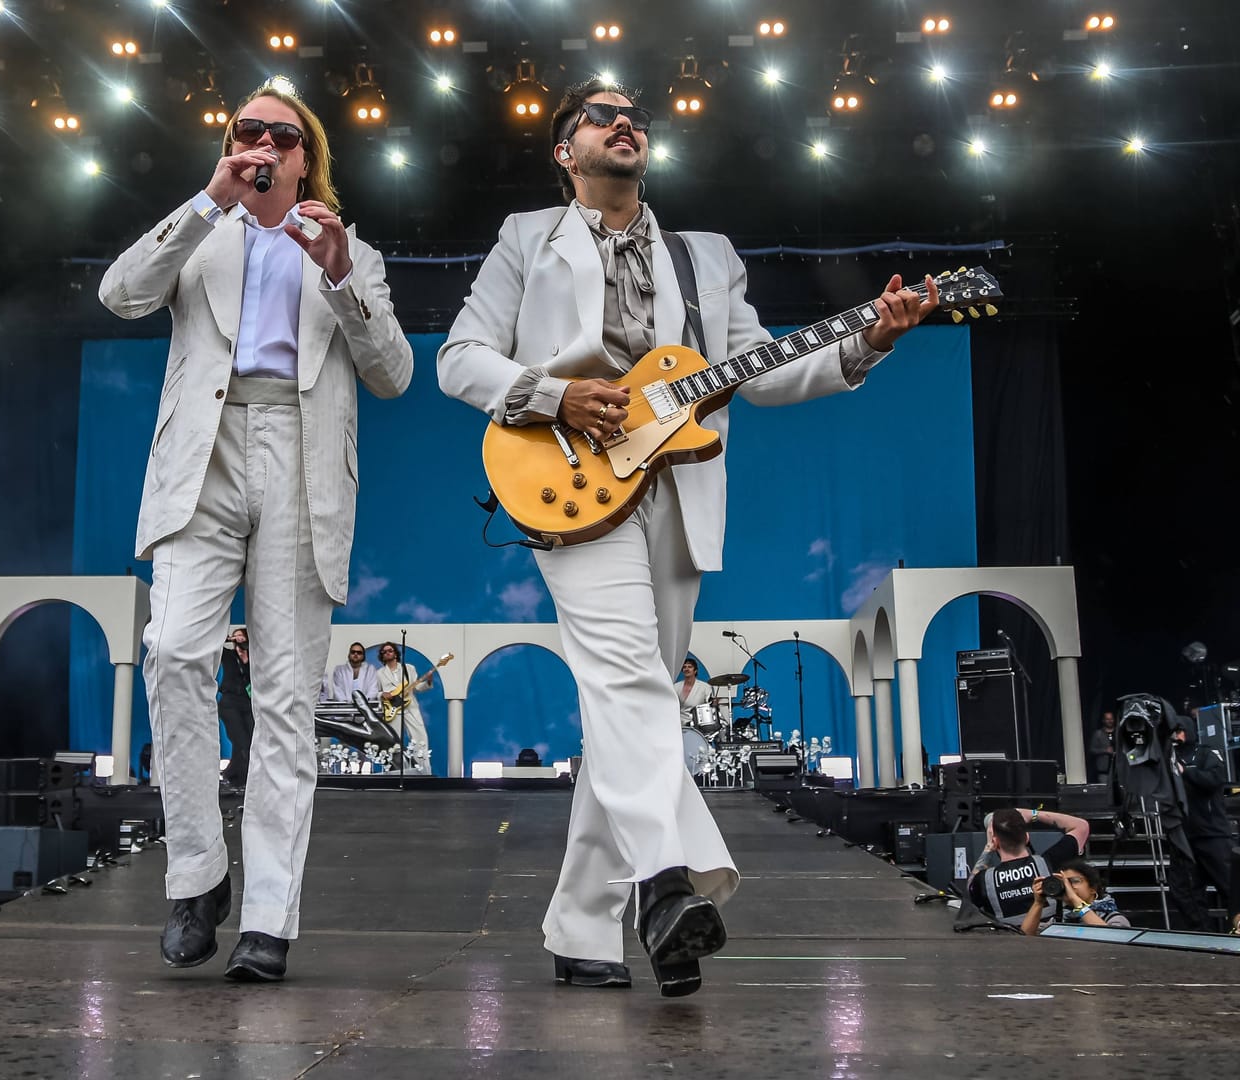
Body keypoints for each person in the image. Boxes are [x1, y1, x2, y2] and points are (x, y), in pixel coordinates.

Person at [436, 78, 935, 998]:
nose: (626, 123)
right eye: (601, 114)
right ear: (565, 150)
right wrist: (554, 394)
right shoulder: (524, 239)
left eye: (636, 117)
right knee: (630, 683)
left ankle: (582, 930)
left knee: (629, 709)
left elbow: (767, 371)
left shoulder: (704, 257)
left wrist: (869, 340)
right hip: (571, 484)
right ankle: (670, 887)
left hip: (680, 492)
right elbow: (458, 358)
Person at [99, 79, 413, 982]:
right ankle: (198, 875)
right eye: (247, 131)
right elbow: (121, 295)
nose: (263, 143)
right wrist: (208, 200)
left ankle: (270, 917)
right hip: (204, 451)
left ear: (306, 155)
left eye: (281, 133)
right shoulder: (205, 233)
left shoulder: (352, 252)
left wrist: (342, 272)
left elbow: (391, 374)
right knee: (172, 653)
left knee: (283, 699)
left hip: (303, 456)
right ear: (233, 145)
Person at [1169, 714, 1240, 929]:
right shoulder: (1167, 758)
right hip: (1182, 836)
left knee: (1230, 886)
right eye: (1172, 731)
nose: (1176, 735)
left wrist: (1185, 772)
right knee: (1185, 891)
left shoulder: (1207, 753)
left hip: (1211, 833)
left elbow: (1214, 780)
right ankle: (1202, 934)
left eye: (1179, 730)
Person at [966, 806, 1093, 925]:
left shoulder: (984, 880)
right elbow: (1081, 826)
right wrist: (1033, 814)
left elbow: (969, 893)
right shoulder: (1050, 863)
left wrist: (988, 848)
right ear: (1027, 838)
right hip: (1053, 942)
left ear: (995, 842)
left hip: (1008, 944)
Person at [1020, 859, 1130, 935]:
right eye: (1064, 883)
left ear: (1093, 888)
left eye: (1074, 881)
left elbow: (1110, 937)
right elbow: (1026, 938)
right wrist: (1038, 903)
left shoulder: (1114, 918)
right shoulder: (1060, 920)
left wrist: (1074, 898)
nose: (1069, 887)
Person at [374, 643, 433, 776]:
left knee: (420, 738)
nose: (387, 653)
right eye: (384, 652)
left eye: (390, 650)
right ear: (382, 656)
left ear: (395, 653)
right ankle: (394, 771)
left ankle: (423, 772)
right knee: (393, 741)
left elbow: (417, 688)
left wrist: (428, 681)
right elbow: (375, 692)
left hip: (410, 707)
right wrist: (382, 694)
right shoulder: (379, 674)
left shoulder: (408, 669)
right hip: (392, 711)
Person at [219, 627, 254, 784]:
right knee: (240, 740)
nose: (239, 640)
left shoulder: (254, 657)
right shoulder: (228, 656)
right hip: (230, 703)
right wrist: (228, 639)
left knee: (251, 741)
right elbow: (216, 646)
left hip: (248, 703)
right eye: (236, 637)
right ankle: (238, 777)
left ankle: (235, 775)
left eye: (242, 637)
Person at [675, 658, 711, 723]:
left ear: (695, 670)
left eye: (690, 667)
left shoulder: (705, 687)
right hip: (679, 723)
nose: (686, 669)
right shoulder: (676, 687)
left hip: (698, 724)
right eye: (684, 667)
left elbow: (709, 706)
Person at [1086, 709, 1115, 783]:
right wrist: (1105, 750)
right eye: (1107, 719)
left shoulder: (1118, 733)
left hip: (1118, 770)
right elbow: (1092, 749)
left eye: (1111, 719)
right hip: (1103, 771)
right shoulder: (1098, 734)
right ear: (1103, 720)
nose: (1109, 721)